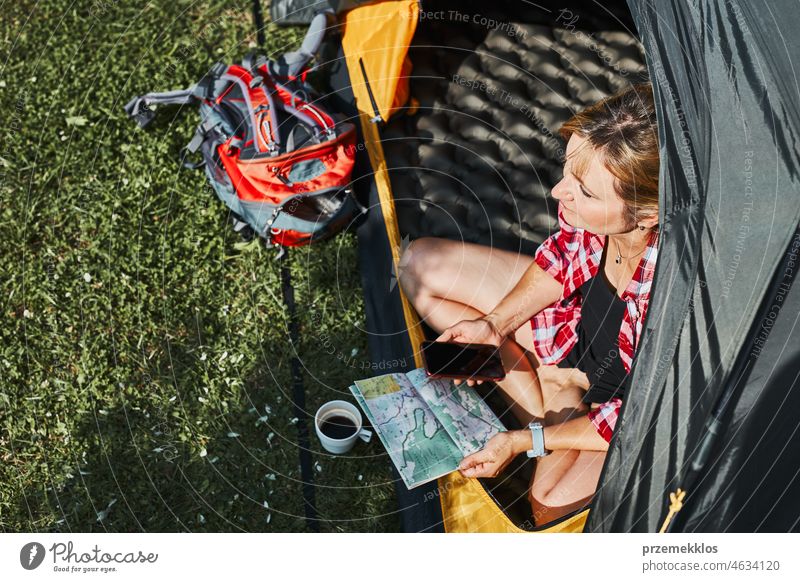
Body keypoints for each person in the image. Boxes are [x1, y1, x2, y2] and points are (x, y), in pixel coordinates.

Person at [398, 83, 659, 525]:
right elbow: (563, 257)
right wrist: (494, 325)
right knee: (419, 266)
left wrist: (523, 442)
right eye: (568, 172)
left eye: (586, 192)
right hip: (572, 337)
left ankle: (550, 412)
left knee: (547, 506)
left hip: (629, 407)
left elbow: (642, 415)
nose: (559, 193)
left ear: (648, 214)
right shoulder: (588, 204)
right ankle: (554, 396)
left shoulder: (674, 292)